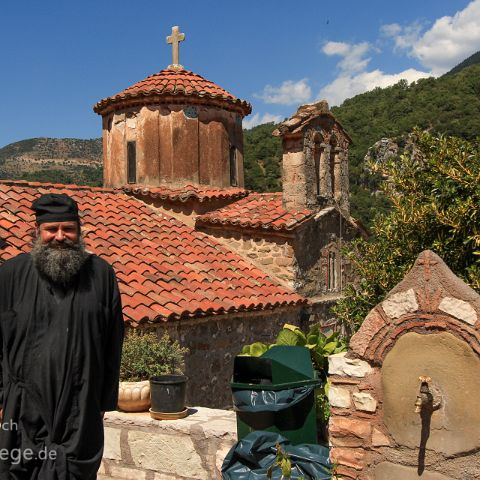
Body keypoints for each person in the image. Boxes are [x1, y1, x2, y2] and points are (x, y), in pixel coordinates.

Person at [0, 193, 124, 479]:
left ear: (79, 232)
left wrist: (102, 403)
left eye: (68, 229)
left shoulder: (102, 276)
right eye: (51, 230)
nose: (60, 236)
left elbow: (112, 342)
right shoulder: (10, 275)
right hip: (21, 413)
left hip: (80, 412)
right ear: (37, 232)